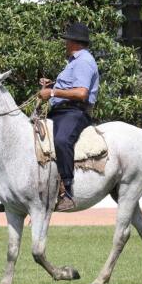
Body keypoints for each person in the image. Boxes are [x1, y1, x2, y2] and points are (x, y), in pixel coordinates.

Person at [38, 22, 99, 212]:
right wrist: (53, 83)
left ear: (74, 42)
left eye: (67, 41)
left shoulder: (83, 61)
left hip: (74, 112)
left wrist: (52, 92)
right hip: (62, 111)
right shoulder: (74, 62)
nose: (65, 44)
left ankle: (68, 191)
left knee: (62, 140)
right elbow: (71, 85)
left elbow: (81, 93)